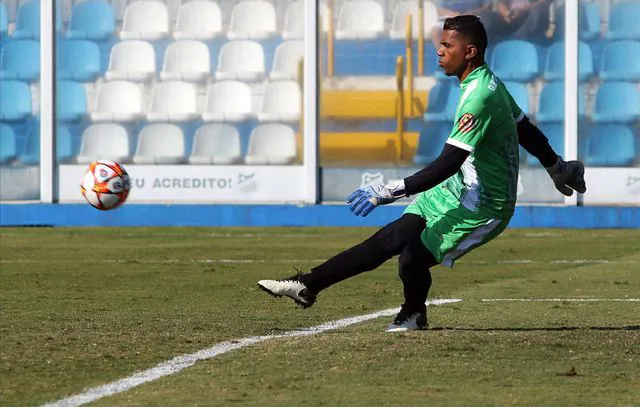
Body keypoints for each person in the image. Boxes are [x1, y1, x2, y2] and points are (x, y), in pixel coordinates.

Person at [257, 15, 586, 332]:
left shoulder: (481, 95)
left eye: (446, 45)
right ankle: (306, 284)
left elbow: (449, 162)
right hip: (455, 190)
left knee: (411, 259)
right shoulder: (484, 84)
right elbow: (524, 129)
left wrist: (387, 192)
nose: (439, 51)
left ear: (470, 51)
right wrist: (555, 167)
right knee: (388, 240)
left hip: (483, 206)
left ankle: (413, 314)